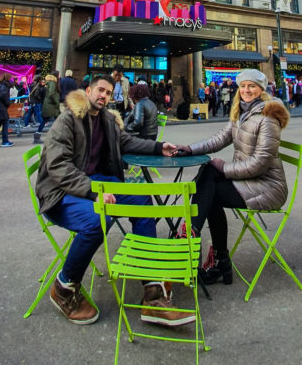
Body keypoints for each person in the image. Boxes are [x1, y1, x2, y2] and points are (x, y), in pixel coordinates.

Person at [34, 75, 193, 326]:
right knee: (99, 220)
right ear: (87, 90)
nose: (103, 96)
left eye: (108, 93)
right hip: (61, 193)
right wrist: (92, 191)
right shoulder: (67, 120)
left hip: (97, 182)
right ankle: (64, 288)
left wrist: (158, 146)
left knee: (142, 202)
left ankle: (152, 293)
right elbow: (57, 165)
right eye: (100, 90)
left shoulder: (107, 119)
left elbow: (126, 141)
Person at [173, 69, 289, 286]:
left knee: (211, 187)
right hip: (247, 181)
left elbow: (260, 163)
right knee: (209, 176)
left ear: (261, 90)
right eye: (243, 86)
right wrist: (189, 149)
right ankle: (208, 250)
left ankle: (195, 239)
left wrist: (224, 168)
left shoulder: (268, 116)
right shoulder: (242, 112)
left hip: (267, 187)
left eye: (251, 86)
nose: (246, 90)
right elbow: (219, 139)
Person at [36, 71, 60, 140]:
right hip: (51, 105)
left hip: (49, 105)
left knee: (47, 121)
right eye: (58, 75)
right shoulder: (52, 83)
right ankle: (56, 136)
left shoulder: (49, 82)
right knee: (56, 120)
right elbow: (51, 93)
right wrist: (55, 102)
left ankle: (37, 136)